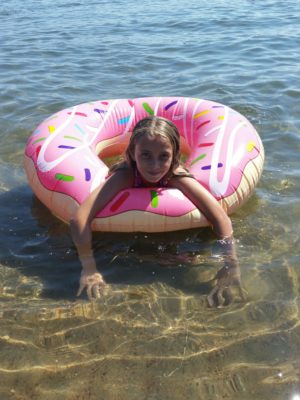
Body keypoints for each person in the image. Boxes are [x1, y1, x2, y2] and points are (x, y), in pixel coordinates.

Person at [70, 116, 244, 306]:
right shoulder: (125, 176)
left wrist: (230, 263)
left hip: (163, 242)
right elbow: (79, 219)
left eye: (164, 156)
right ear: (133, 152)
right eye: (145, 155)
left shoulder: (176, 176)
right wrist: (89, 268)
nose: (154, 166)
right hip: (131, 239)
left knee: (190, 256)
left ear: (174, 155)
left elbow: (220, 218)